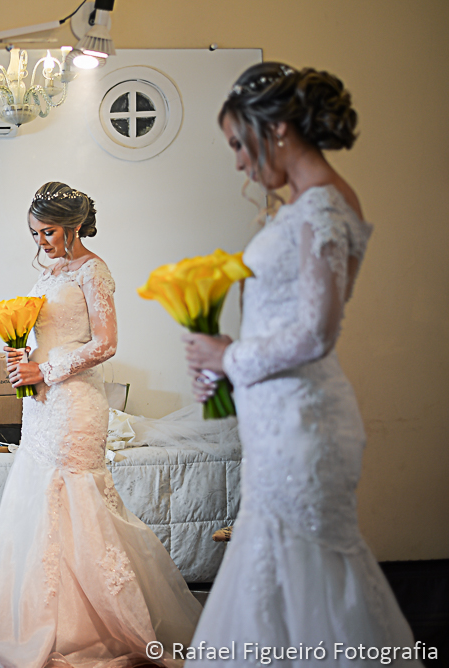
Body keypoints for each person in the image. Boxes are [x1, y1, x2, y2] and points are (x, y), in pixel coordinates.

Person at [182, 63, 420, 666]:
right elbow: (287, 323)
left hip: (302, 425)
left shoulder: (322, 208)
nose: (239, 162)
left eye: (239, 144)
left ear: (278, 129)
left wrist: (230, 355)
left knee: (307, 565)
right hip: (280, 419)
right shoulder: (307, 206)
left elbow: (316, 331)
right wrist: (224, 362)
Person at [0, 182, 202, 668]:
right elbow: (48, 333)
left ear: (75, 227)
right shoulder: (49, 273)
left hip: (75, 402)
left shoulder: (93, 270)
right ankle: (41, 624)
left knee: (77, 498)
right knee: (37, 499)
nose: (41, 241)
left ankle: (102, 626)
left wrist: (46, 369)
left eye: (49, 231)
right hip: (41, 405)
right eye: (35, 232)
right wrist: (22, 356)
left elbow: (106, 343)